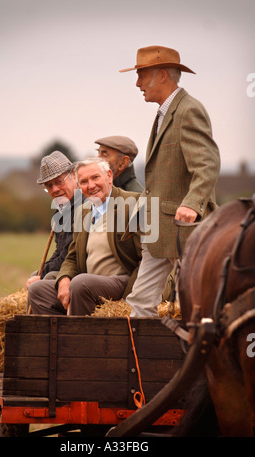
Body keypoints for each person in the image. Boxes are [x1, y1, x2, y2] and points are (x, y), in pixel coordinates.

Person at [119, 45, 221, 317]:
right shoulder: (165, 112)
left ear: (162, 75)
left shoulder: (189, 110)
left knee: (196, 306)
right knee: (140, 304)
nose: (137, 82)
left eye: (142, 74)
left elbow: (207, 164)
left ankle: (196, 359)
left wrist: (193, 204)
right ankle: (138, 361)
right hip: (158, 229)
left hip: (184, 229)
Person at [29, 157, 142, 316]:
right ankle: (56, 339)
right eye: (84, 181)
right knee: (38, 290)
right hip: (87, 284)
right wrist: (64, 278)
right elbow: (72, 255)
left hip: (120, 281)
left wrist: (130, 298)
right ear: (78, 186)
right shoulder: (83, 211)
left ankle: (77, 338)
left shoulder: (133, 204)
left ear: (109, 176)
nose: (91, 185)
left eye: (95, 177)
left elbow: (146, 259)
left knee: (81, 283)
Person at [26, 151, 83, 310]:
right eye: (49, 186)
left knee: (43, 281)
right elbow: (59, 250)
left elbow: (68, 255)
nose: (55, 189)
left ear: (73, 175)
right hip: (68, 267)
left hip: (82, 270)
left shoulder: (83, 207)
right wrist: (40, 272)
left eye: (59, 182)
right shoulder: (61, 210)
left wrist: (42, 275)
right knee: (35, 276)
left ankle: (49, 331)